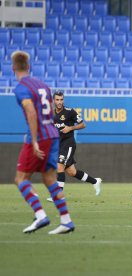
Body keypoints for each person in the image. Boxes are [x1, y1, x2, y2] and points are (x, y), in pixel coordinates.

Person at [11, 50, 75, 234]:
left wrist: (35, 140)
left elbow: (31, 112)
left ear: (13, 67)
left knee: (21, 179)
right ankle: (66, 221)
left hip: (38, 138)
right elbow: (49, 113)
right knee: (49, 180)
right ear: (28, 66)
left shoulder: (21, 88)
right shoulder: (44, 86)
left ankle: (40, 215)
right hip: (53, 134)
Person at [46, 90, 102, 201]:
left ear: (63, 100)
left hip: (68, 143)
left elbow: (83, 124)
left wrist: (70, 128)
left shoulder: (70, 112)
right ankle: (95, 181)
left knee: (59, 166)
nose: (59, 102)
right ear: (53, 100)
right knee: (72, 172)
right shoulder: (51, 114)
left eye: (61, 100)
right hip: (59, 144)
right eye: (57, 100)